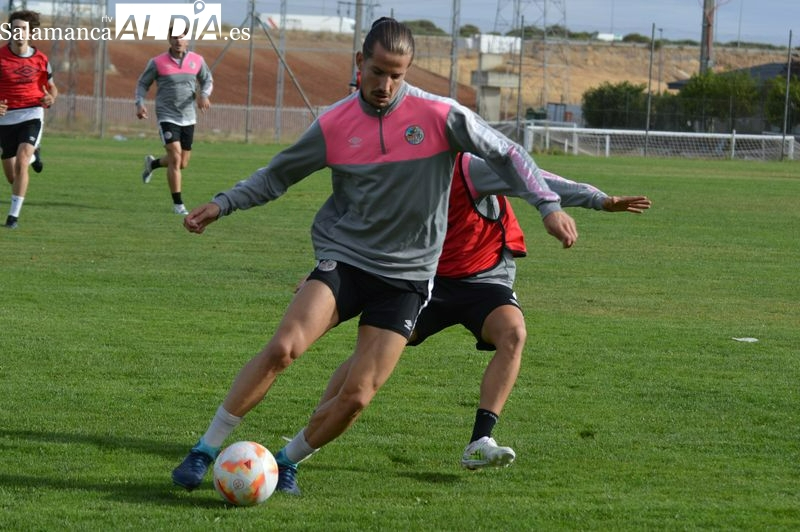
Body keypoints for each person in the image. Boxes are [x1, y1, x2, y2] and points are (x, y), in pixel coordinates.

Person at [171, 17, 578, 496]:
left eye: (397, 74)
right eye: (378, 71)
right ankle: (203, 450)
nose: (385, 85)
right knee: (284, 348)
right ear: (360, 62)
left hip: (408, 278)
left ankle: (287, 462)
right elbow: (276, 175)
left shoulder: (440, 115)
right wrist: (223, 203)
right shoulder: (335, 123)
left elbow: (509, 153)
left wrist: (548, 207)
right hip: (347, 259)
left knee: (358, 394)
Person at [315, 152, 652, 472]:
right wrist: (328, 270)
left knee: (513, 333)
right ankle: (314, 432)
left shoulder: (471, 168)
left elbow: (532, 179)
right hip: (426, 279)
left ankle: (480, 441)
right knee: (374, 351)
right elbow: (361, 221)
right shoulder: (403, 171)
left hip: (484, 278)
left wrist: (600, 199)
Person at [135, 25, 213, 215]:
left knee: (182, 162)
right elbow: (142, 83)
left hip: (188, 117)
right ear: (169, 39)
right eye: (175, 37)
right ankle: (178, 204)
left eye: (182, 37)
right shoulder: (157, 62)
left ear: (188, 39)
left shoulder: (197, 60)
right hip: (166, 115)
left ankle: (152, 164)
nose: (179, 40)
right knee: (175, 157)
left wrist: (204, 94)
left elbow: (207, 80)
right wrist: (140, 103)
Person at [0, 10, 57, 229]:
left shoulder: (41, 59)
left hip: (32, 113)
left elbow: (52, 87)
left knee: (21, 163)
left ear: (31, 32)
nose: (19, 32)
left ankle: (13, 217)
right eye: (15, 28)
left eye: (23, 28)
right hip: (5, 119)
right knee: (13, 177)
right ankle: (35, 155)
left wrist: (51, 97)